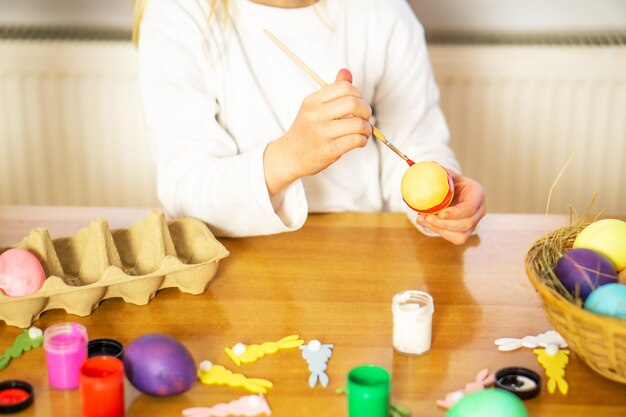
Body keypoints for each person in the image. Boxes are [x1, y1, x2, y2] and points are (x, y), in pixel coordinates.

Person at [133, 0, 486, 244]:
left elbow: (415, 145)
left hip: (362, 250)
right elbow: (186, 191)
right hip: (234, 259)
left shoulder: (382, 11)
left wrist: (444, 203)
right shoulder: (178, 12)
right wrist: (288, 157)